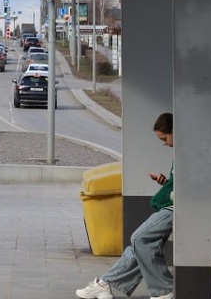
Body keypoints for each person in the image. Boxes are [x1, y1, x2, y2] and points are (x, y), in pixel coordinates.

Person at [76, 112, 174, 299]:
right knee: (140, 247)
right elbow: (177, 184)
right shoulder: (179, 154)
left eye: (165, 138)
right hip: (173, 206)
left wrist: (169, 192)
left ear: (175, 131)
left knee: (140, 238)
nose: (164, 143)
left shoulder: (186, 153)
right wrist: (165, 182)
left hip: (175, 208)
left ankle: (163, 290)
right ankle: (105, 284)